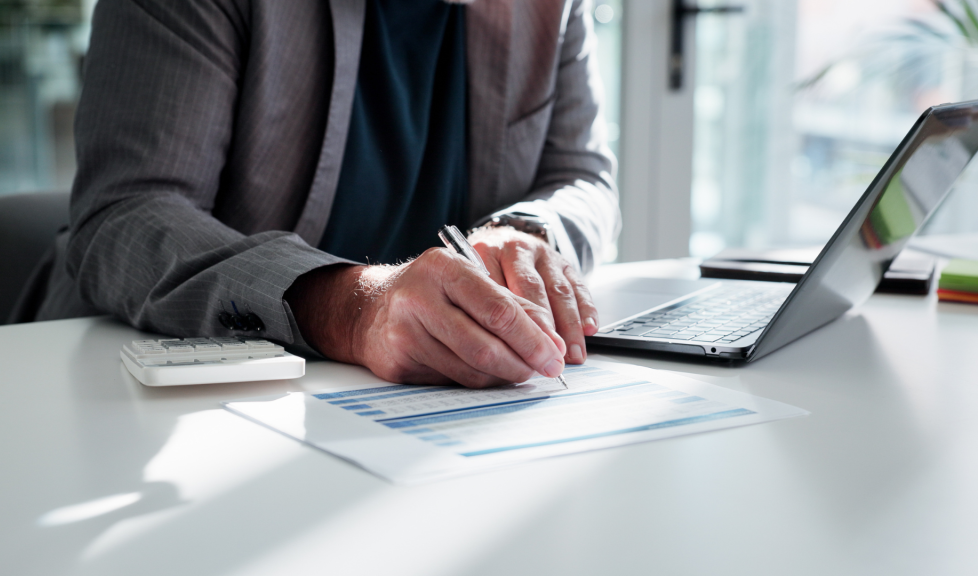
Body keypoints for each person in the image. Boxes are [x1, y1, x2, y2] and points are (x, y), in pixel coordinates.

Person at [33, 0, 621, 388]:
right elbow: (128, 212)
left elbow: (582, 175)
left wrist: (522, 231)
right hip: (146, 391)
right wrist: (355, 309)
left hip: (430, 410)